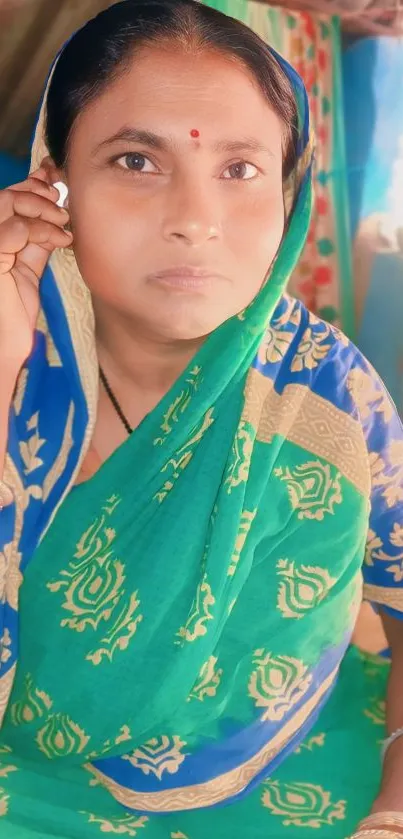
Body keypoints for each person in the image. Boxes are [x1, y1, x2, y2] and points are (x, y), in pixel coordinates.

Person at [0, 2, 403, 837]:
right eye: (137, 158)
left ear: (290, 199)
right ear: (54, 182)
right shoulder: (14, 341)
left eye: (241, 169)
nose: (194, 218)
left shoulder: (330, 398)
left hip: (269, 764)